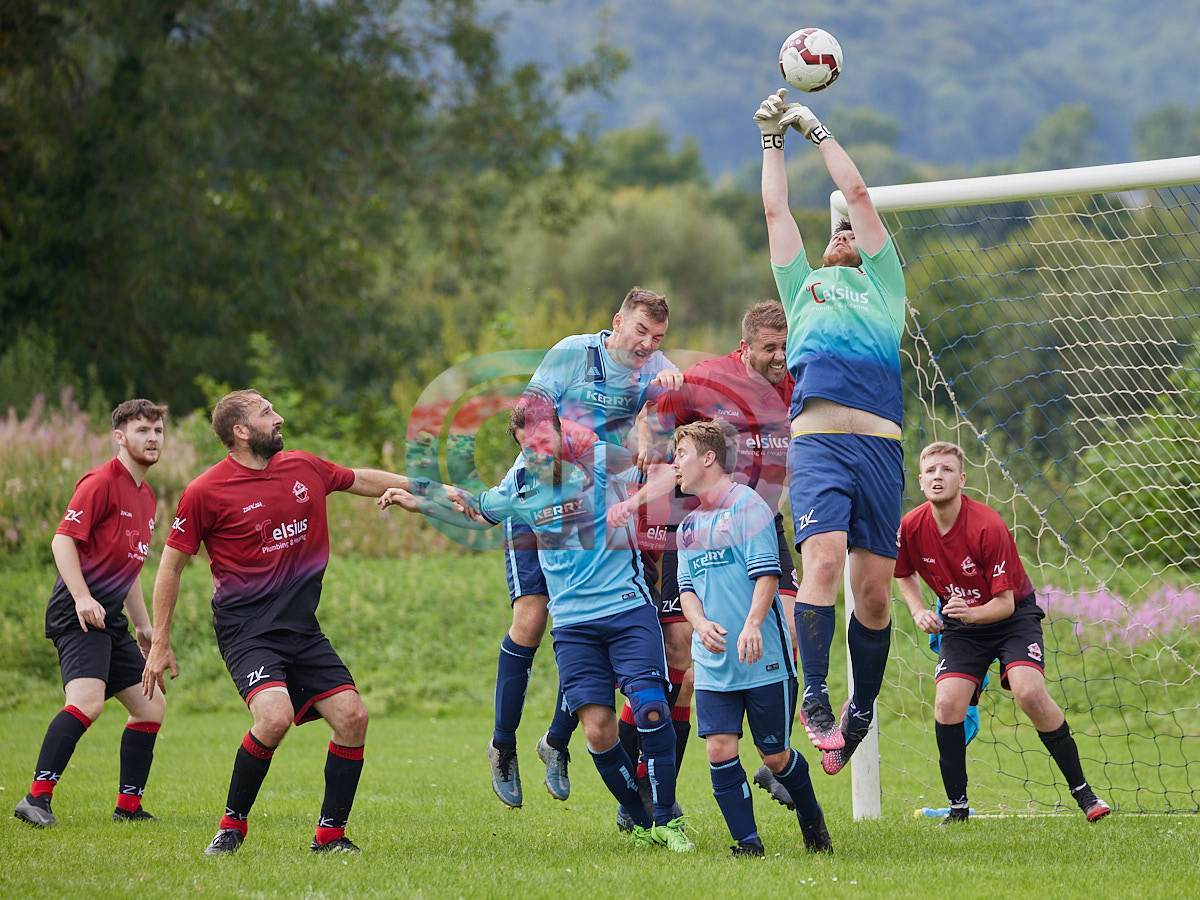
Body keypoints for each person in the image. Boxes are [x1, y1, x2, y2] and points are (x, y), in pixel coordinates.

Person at [382, 402, 693, 852]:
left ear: (561, 433)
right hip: (574, 627)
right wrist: (419, 503)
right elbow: (478, 510)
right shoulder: (520, 483)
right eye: (528, 447)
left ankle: (667, 820)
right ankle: (642, 822)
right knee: (598, 730)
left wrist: (632, 501)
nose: (538, 453)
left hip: (627, 611)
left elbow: (666, 475)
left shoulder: (598, 460)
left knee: (651, 710)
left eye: (544, 441)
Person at [140, 389, 412, 855]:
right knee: (274, 716)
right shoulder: (206, 491)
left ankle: (330, 837)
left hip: (302, 629)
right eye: (267, 413)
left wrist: (421, 487)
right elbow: (171, 566)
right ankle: (231, 827)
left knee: (353, 718)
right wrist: (160, 639)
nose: (279, 417)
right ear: (241, 431)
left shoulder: (302, 466)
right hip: (247, 632)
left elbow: (359, 478)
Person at [756, 87, 907, 775]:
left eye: (852, 231)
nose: (844, 231)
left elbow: (857, 193)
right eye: (837, 230)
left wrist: (816, 129)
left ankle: (861, 706)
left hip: (878, 449)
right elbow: (775, 210)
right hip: (818, 444)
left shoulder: (885, 288)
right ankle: (814, 695)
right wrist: (771, 140)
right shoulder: (803, 287)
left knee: (873, 592)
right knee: (821, 562)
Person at [484, 287, 678, 809]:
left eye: (658, 337)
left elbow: (667, 429)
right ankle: (503, 745)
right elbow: (531, 412)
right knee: (532, 617)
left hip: (599, 500)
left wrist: (656, 412)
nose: (647, 344)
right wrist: (585, 445)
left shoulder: (657, 367)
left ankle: (556, 741)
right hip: (540, 491)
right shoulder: (574, 352)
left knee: (597, 611)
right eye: (640, 331)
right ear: (618, 321)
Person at [616, 300, 799, 813]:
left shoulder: (797, 383)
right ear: (745, 346)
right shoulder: (707, 379)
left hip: (760, 524)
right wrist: (651, 441)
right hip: (695, 527)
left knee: (792, 626)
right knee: (681, 658)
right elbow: (655, 414)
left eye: (785, 347)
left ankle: (775, 759)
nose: (779, 356)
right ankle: (645, 791)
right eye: (769, 348)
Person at [895, 441, 1112, 824]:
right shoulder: (911, 525)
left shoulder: (987, 525)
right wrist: (917, 611)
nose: (937, 477)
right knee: (947, 704)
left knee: (1029, 693)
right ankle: (958, 808)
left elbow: (1005, 604)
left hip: (1011, 619)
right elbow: (903, 574)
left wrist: (970, 613)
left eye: (946, 470)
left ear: (962, 479)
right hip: (962, 625)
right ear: (921, 480)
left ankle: (1085, 794)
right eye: (930, 471)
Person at [673, 421, 832, 858]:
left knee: (775, 756)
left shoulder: (749, 507)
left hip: (763, 659)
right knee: (719, 749)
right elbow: (686, 589)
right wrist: (699, 624)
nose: (675, 465)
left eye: (682, 454)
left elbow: (767, 574)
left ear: (708, 457)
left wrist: (751, 624)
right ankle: (748, 844)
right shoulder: (687, 526)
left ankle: (812, 821)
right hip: (713, 664)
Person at [13, 400, 168, 829]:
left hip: (110, 618)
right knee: (86, 702)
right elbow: (62, 541)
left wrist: (143, 625)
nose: (153, 438)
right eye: (142, 430)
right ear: (119, 437)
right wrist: (82, 597)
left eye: (158, 431)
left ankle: (128, 807)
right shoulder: (100, 482)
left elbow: (129, 566)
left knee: (151, 707)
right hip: (78, 612)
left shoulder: (147, 496)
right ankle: (35, 799)